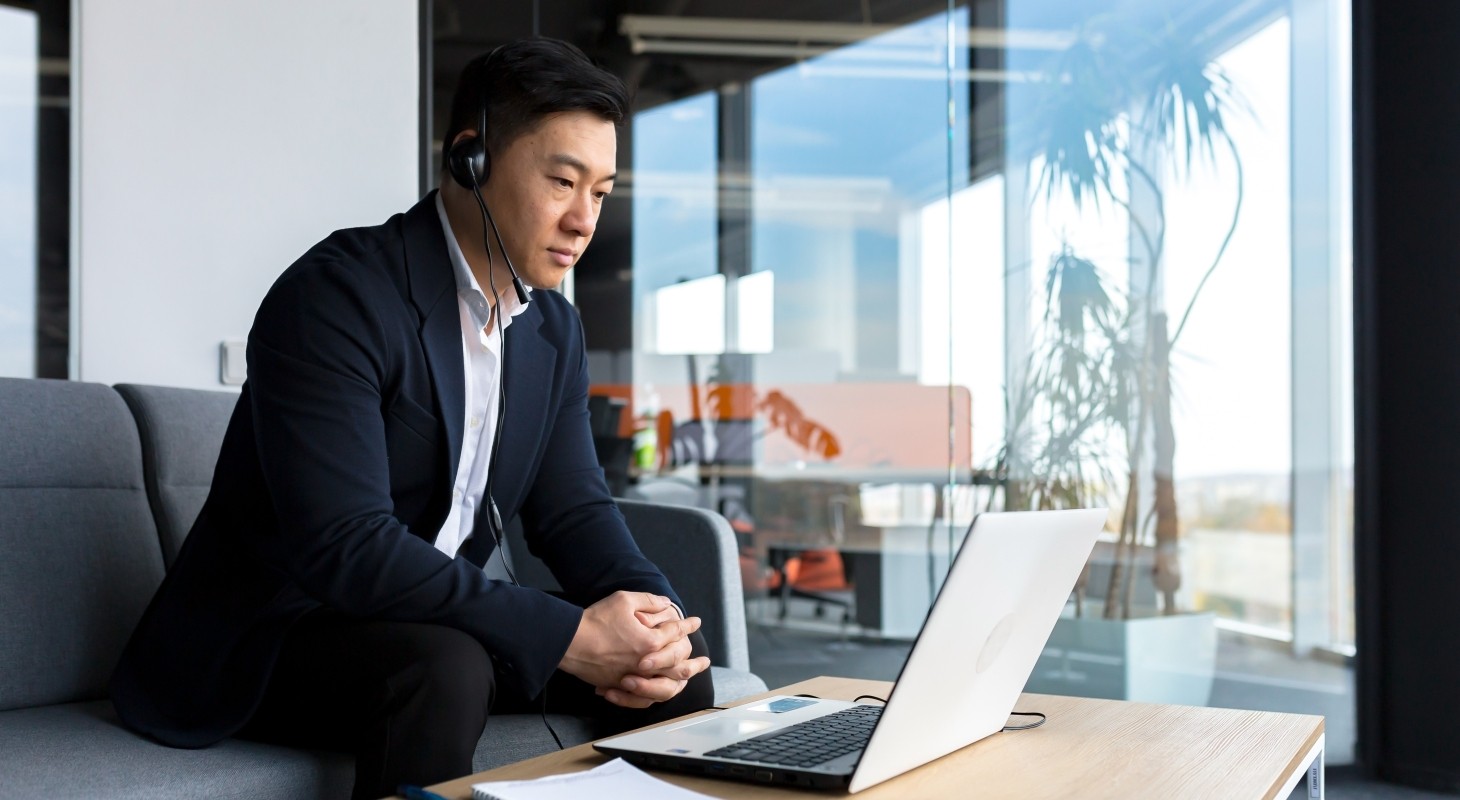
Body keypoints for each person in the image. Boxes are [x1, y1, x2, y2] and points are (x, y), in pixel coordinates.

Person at [110, 38, 713, 799]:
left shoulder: (551, 331)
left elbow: (574, 511)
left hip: (432, 619)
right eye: (562, 181)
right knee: (444, 668)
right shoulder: (338, 298)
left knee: (680, 682)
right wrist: (566, 635)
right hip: (275, 637)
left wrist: (661, 625)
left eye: (601, 192)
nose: (583, 219)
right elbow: (346, 546)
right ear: (470, 159)